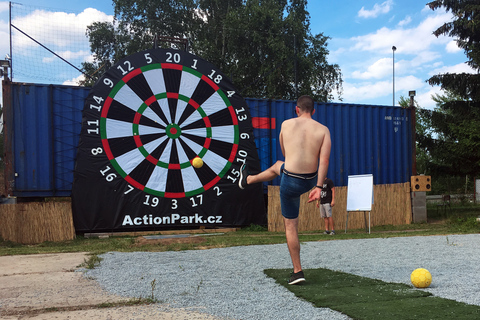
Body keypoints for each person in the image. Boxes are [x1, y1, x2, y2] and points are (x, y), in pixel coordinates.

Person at [238, 95, 331, 285]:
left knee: (291, 226)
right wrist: (319, 187)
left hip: (290, 180)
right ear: (314, 111)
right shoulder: (323, 130)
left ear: (296, 109)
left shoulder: (286, 124)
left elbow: (285, 151)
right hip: (310, 181)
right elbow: (324, 161)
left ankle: (298, 271)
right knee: (277, 166)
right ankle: (248, 179)